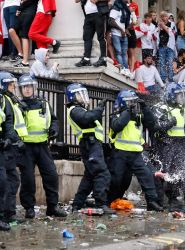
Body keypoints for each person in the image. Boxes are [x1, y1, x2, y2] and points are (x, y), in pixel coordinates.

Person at [17, 74, 67, 218]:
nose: (27, 90)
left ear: (34, 87)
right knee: (28, 180)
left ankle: (52, 207)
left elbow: (54, 120)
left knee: (51, 176)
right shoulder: (19, 106)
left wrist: (54, 129)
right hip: (26, 148)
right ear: (21, 89)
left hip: (43, 146)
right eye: (24, 87)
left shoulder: (43, 103)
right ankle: (29, 209)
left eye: (29, 86)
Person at [108, 90, 163, 211]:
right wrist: (128, 111)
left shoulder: (137, 116)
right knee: (118, 180)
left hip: (136, 153)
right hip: (120, 152)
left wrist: (145, 108)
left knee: (147, 176)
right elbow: (118, 125)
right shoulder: (116, 115)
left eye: (133, 102)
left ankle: (152, 202)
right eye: (129, 102)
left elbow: (152, 123)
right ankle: (110, 201)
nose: (132, 105)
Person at [66, 83, 115, 214]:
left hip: (92, 144)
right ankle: (101, 204)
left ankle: (77, 204)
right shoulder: (74, 110)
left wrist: (98, 110)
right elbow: (86, 119)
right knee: (101, 173)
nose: (82, 97)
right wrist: (99, 109)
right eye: (79, 94)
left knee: (89, 176)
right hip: (89, 144)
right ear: (72, 97)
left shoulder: (79, 109)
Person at [0, 72, 27, 230]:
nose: (13, 88)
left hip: (7, 146)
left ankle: (8, 214)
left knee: (12, 179)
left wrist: (12, 139)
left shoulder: (5, 100)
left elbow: (8, 123)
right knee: (3, 182)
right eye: (10, 85)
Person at [75, 0, 109, 67]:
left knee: (101, 37)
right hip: (88, 15)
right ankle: (86, 59)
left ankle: (103, 59)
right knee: (87, 37)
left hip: (99, 14)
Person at [9, 0, 38, 67]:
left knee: (24, 36)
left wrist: (19, 8)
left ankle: (25, 61)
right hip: (23, 11)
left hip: (29, 11)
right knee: (11, 30)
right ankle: (21, 53)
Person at [109, 0, 131, 75]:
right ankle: (122, 68)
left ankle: (126, 69)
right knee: (118, 52)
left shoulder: (125, 9)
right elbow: (111, 21)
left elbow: (127, 22)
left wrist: (126, 29)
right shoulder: (116, 8)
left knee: (124, 53)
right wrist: (120, 29)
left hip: (123, 34)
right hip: (116, 34)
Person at [158, 11, 176, 83]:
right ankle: (163, 78)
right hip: (161, 46)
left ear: (167, 17)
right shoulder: (159, 24)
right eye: (162, 16)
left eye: (165, 16)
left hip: (170, 46)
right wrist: (160, 27)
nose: (164, 18)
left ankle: (171, 78)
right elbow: (155, 33)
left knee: (170, 63)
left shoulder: (172, 24)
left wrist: (164, 26)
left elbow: (172, 33)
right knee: (162, 63)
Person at [127, 0, 139, 72]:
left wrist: (129, 26)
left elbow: (136, 21)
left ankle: (131, 70)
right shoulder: (120, 3)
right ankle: (127, 68)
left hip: (131, 30)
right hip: (122, 30)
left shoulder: (134, 4)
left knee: (131, 52)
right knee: (125, 51)